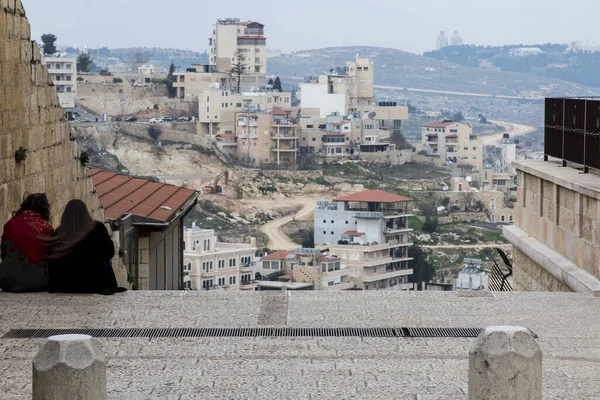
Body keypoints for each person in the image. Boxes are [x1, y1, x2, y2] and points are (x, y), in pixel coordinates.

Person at [47, 199, 125, 295]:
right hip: (96, 284)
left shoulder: (60, 232)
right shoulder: (97, 228)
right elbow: (110, 252)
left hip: (65, 285)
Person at [0, 194, 54, 292]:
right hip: (39, 282)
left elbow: (3, 253)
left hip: (8, 280)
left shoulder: (10, 225)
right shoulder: (47, 229)